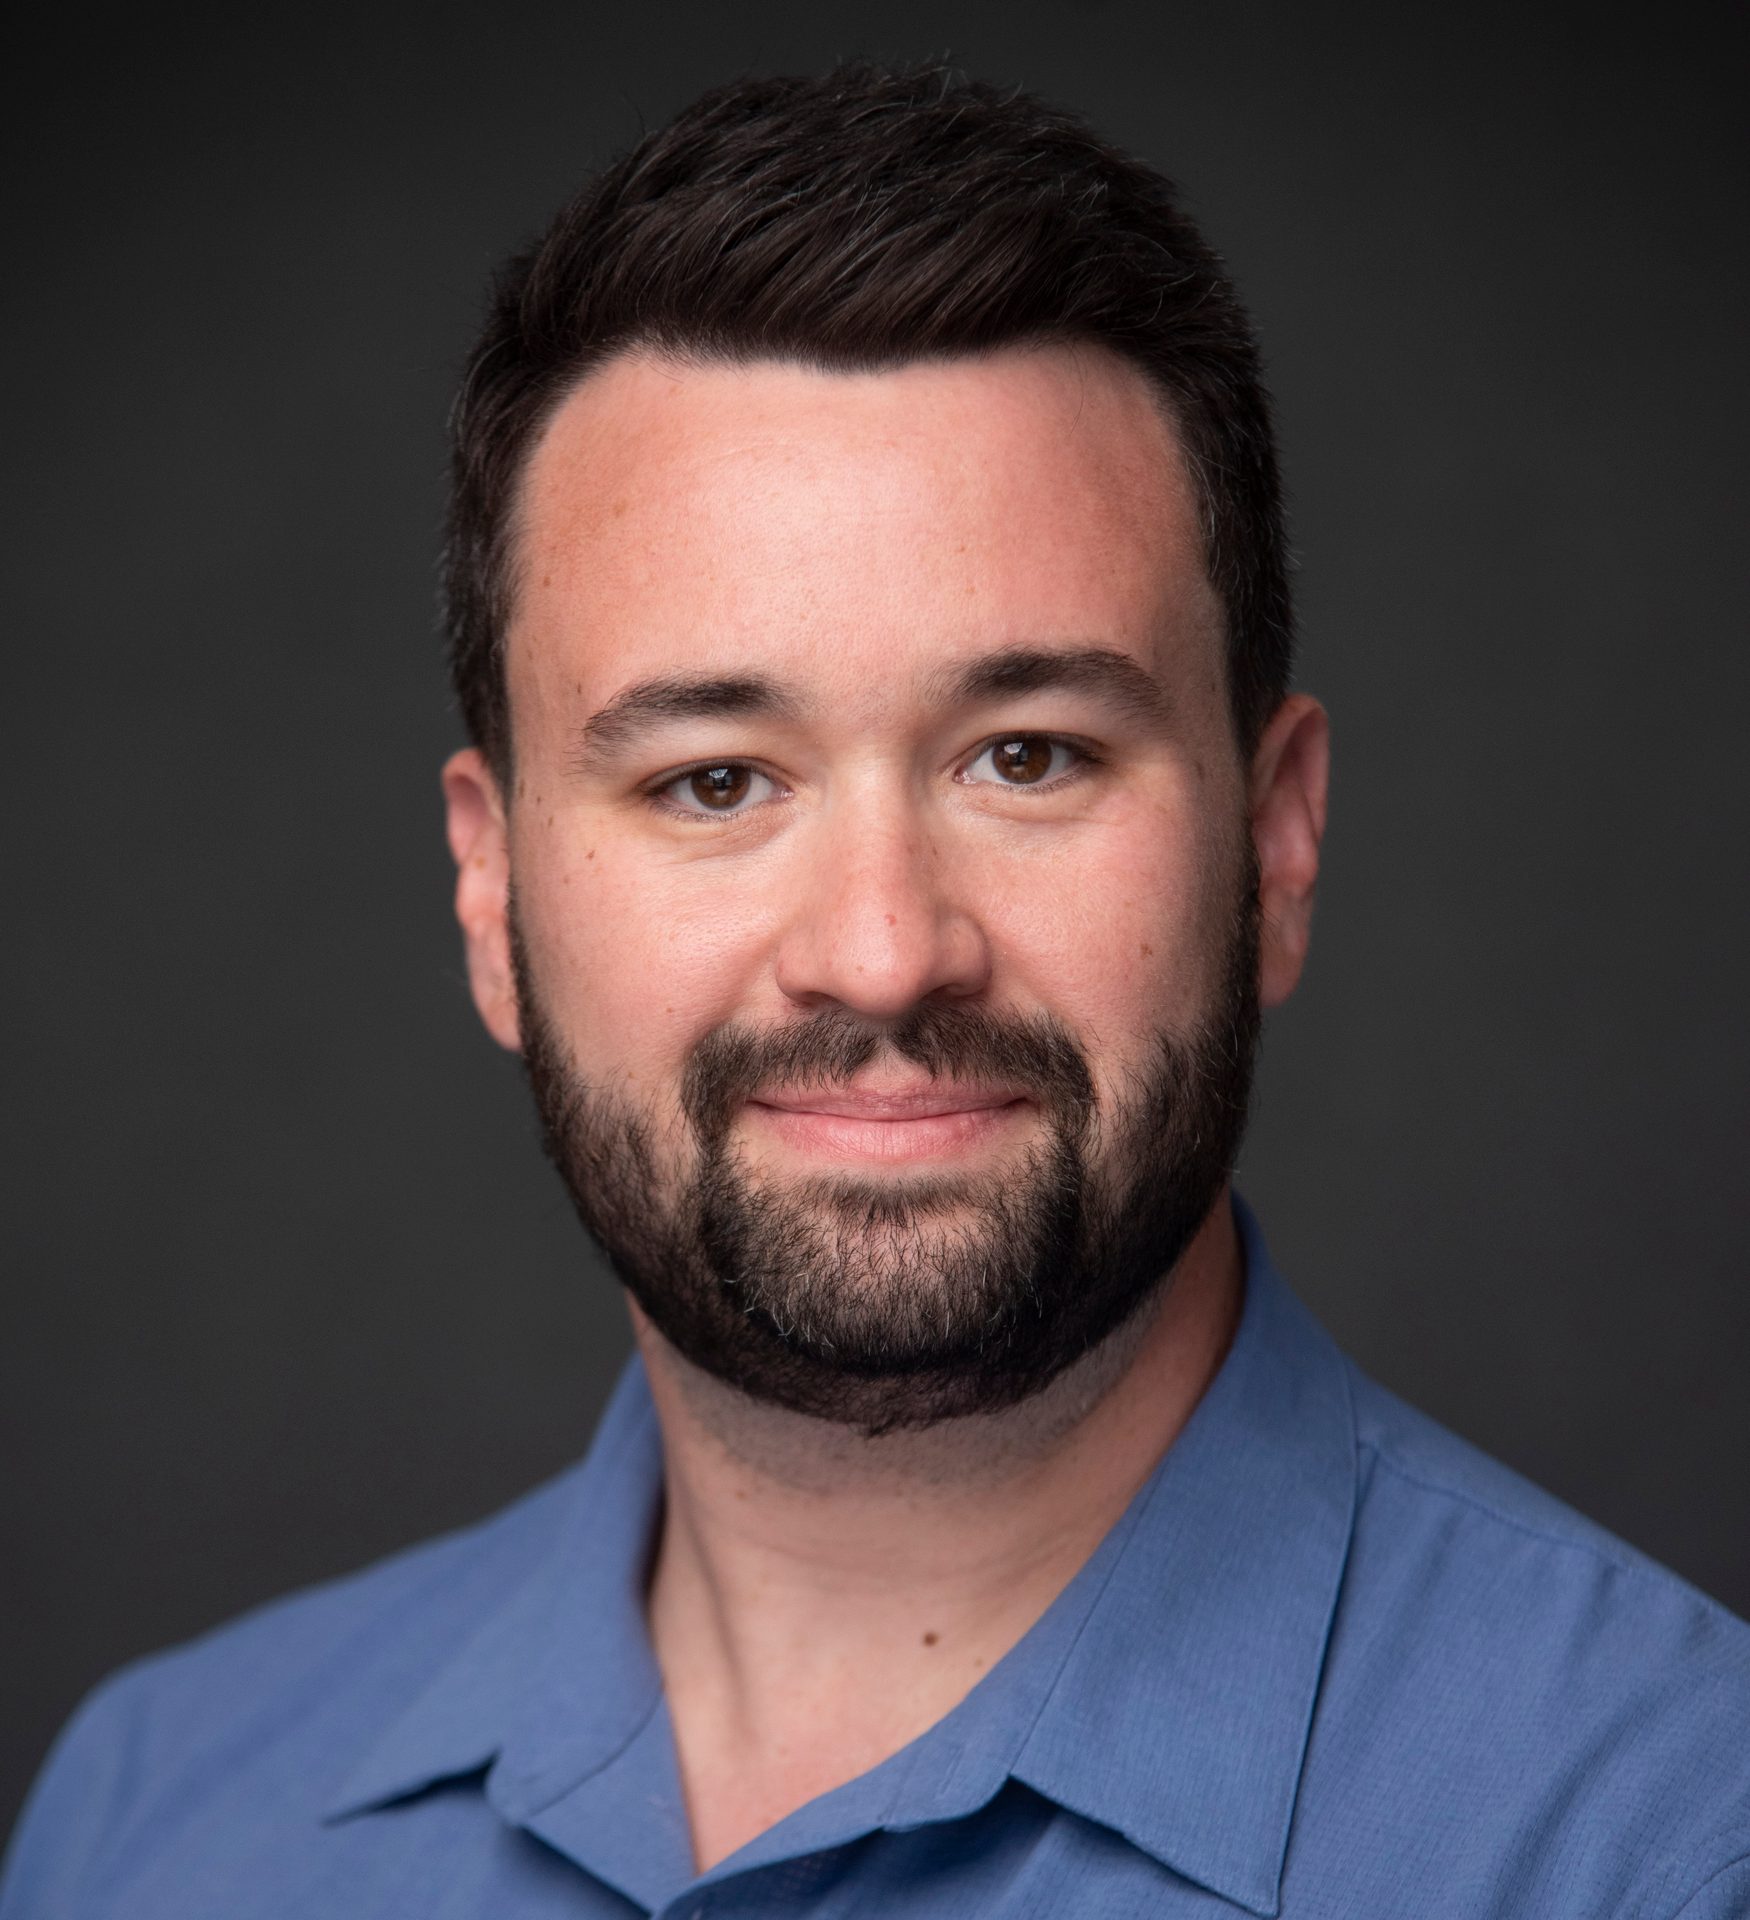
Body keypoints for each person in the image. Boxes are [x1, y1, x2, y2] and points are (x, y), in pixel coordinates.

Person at [4, 60, 1746, 1920]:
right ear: (491, 888)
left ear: (1277, 844)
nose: (884, 950)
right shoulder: (155, 1823)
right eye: (713, 781)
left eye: (1028, 756)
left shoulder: (1660, 1841)